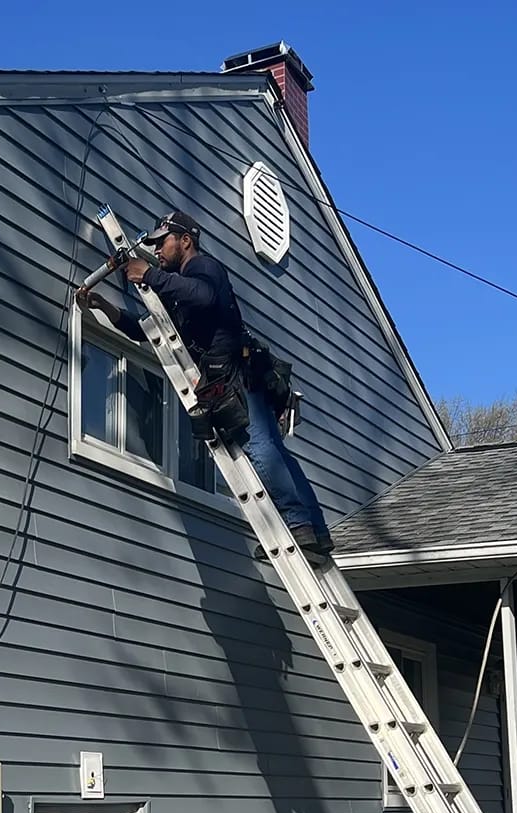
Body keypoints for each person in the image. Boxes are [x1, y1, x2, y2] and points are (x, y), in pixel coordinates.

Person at [76, 211, 333, 560]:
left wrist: (149, 272)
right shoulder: (176, 291)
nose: (158, 251)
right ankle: (314, 531)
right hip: (232, 376)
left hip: (239, 375)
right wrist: (105, 306)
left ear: (185, 240)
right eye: (153, 247)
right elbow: (148, 333)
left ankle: (300, 527)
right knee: (271, 449)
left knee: (260, 449)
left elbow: (206, 296)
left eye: (162, 243)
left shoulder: (205, 269)